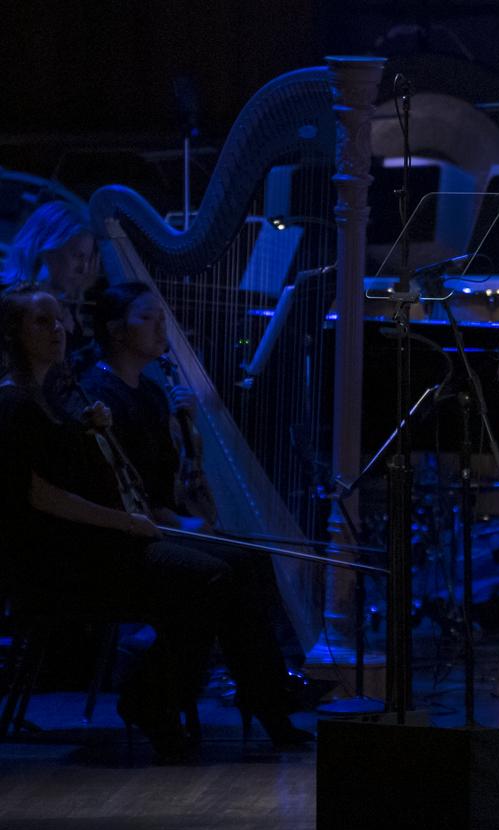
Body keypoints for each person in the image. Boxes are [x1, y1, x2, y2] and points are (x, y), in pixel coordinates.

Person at [0, 284, 308, 761]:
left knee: (246, 562)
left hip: (96, 542)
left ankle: (264, 700)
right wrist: (126, 522)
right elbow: (42, 495)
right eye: (41, 322)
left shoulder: (55, 397)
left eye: (59, 319)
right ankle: (151, 697)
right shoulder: (16, 403)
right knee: (209, 577)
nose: (57, 329)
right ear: (12, 333)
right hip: (61, 562)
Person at [0, 201, 98, 350]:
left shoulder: (69, 310)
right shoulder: (6, 299)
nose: (84, 269)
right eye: (78, 256)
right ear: (48, 250)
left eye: (87, 259)